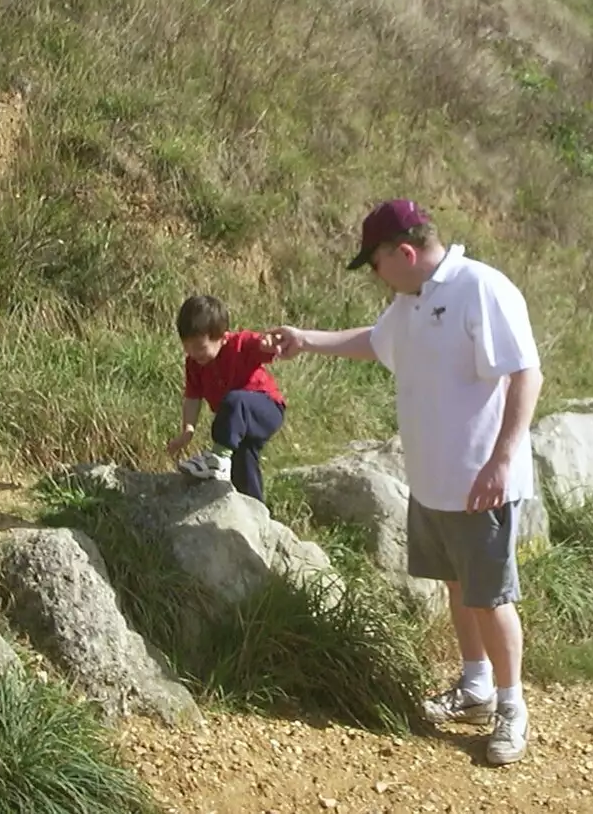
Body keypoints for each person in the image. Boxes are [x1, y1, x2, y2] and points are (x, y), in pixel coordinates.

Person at [267, 199, 543, 766]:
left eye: (376, 262)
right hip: (433, 480)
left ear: (405, 252)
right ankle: (475, 687)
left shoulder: (480, 287)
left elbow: (525, 371)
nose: (375, 274)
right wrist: (307, 338)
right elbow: (375, 340)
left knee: (491, 597)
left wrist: (502, 459)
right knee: (457, 586)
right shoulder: (411, 299)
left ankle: (512, 707)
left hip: (480, 481)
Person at [167, 295, 286, 503]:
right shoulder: (194, 365)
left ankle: (218, 459)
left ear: (223, 337)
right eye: (187, 348)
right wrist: (188, 429)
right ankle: (255, 508)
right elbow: (193, 397)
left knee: (233, 401)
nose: (194, 354)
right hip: (238, 424)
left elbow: (260, 344)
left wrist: (268, 344)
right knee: (243, 460)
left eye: (200, 348)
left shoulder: (240, 344)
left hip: (267, 409)